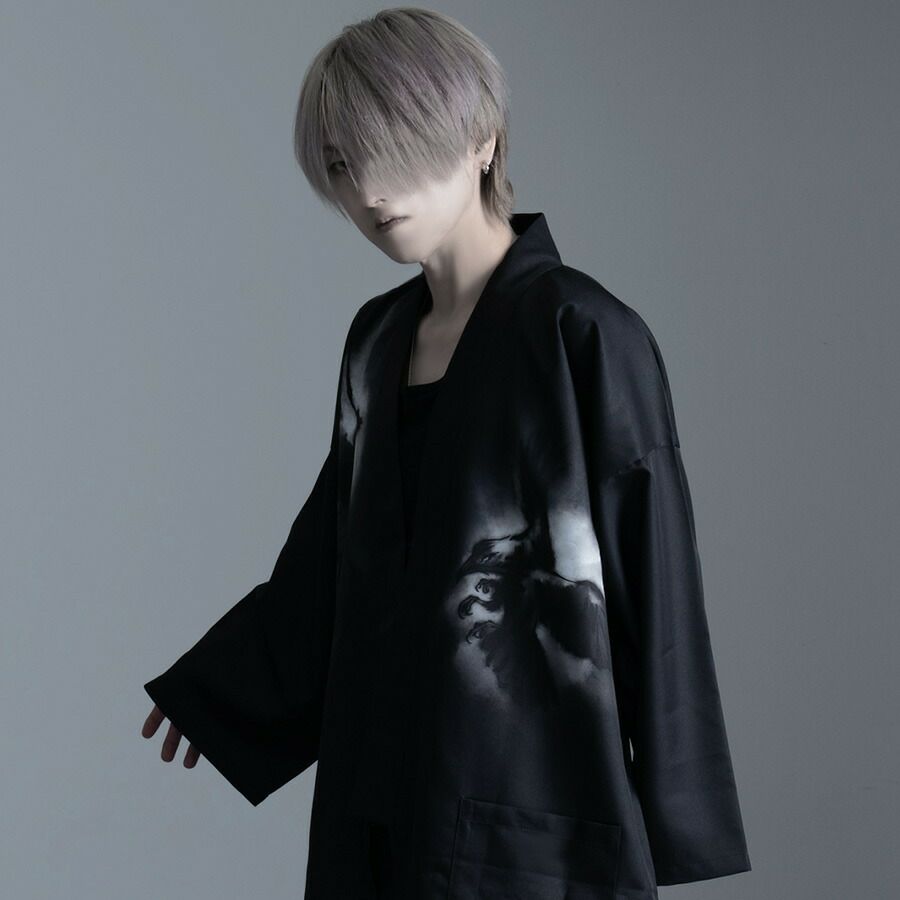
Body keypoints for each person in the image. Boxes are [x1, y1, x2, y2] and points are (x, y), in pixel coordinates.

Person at [142, 8, 751, 898]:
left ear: (482, 141)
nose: (368, 192)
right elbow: (335, 555)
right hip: (375, 798)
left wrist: (677, 807)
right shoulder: (377, 340)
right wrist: (221, 691)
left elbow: (653, 568)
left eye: (392, 152)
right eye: (342, 166)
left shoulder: (582, 332)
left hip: (534, 795)